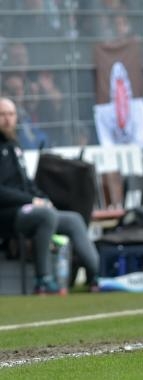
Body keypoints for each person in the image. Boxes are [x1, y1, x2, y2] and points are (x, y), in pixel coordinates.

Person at [0, 97, 100, 294]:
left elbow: (26, 184)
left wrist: (44, 199)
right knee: (46, 216)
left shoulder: (14, 146)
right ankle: (43, 279)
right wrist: (31, 201)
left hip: (27, 209)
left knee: (73, 219)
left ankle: (96, 276)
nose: (7, 119)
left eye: (11, 114)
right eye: (2, 115)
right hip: (6, 213)